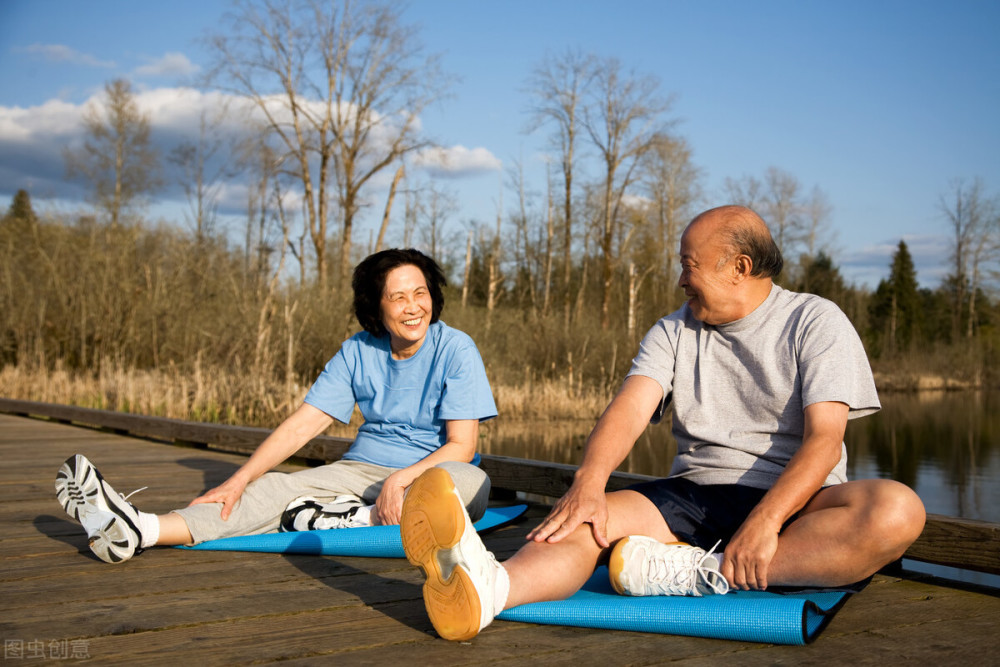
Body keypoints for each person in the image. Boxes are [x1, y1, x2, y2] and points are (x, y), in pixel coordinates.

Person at [399, 205, 927, 641]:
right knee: (583, 520)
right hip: (695, 493)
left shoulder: (815, 321)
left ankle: (696, 571)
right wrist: (589, 484)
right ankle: (490, 589)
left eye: (689, 265)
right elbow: (630, 408)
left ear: (739, 267)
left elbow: (825, 442)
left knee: (897, 511)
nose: (680, 280)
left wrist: (765, 522)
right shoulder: (674, 330)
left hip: (796, 503)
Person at [56, 248, 497, 564]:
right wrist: (239, 479)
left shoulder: (456, 348)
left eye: (420, 293)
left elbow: (462, 446)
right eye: (398, 297)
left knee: (465, 487)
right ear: (376, 307)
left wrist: (400, 480)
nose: (413, 307)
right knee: (268, 491)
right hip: (361, 470)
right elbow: (302, 426)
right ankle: (141, 528)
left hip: (434, 472)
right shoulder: (358, 350)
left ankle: (348, 516)